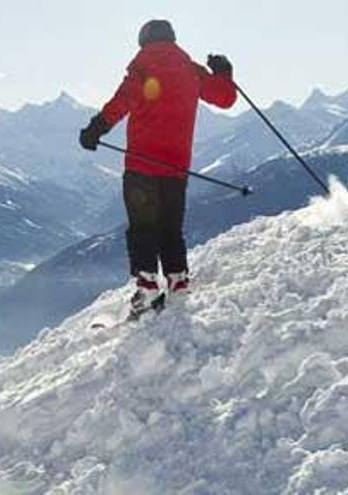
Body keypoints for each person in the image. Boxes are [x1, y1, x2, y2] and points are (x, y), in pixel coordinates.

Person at [79, 19, 237, 316]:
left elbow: (120, 103)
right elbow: (225, 98)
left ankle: (148, 287)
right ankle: (177, 280)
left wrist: (95, 129)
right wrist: (224, 72)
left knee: (143, 226)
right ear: (172, 40)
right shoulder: (191, 71)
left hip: (141, 164)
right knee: (170, 226)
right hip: (176, 167)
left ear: (144, 42)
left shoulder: (141, 69)